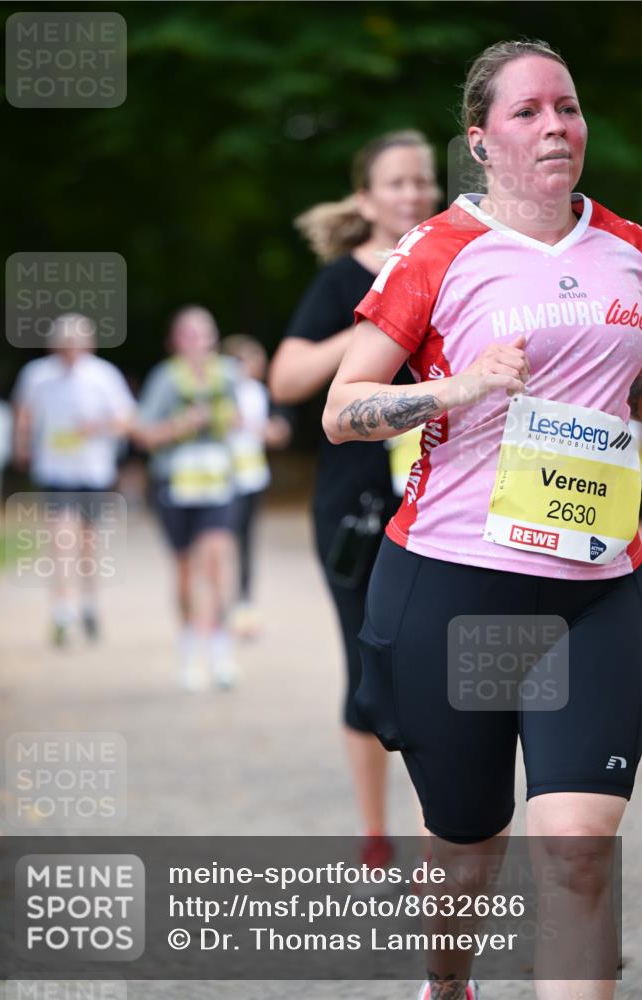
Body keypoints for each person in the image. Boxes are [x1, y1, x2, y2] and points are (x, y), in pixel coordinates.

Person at [323, 39, 642, 1000]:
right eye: (527, 111)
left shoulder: (630, 250)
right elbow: (341, 411)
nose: (555, 126)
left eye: (568, 107)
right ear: (480, 140)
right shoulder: (437, 252)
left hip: (597, 589)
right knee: (467, 847)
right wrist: (455, 387)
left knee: (578, 849)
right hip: (456, 583)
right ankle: (448, 980)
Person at [269, 131, 440, 869]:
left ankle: (445, 824)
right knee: (370, 665)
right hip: (354, 506)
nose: (411, 195)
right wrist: (380, 325)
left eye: (422, 182)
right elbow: (286, 380)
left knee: (433, 666)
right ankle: (376, 833)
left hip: (439, 502)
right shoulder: (344, 280)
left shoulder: (457, 267)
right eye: (395, 184)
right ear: (365, 199)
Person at [12, 313, 135, 645]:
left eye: (77, 342)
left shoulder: (103, 376)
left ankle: (89, 604)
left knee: (88, 543)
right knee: (60, 538)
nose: (70, 349)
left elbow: (126, 419)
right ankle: (62, 610)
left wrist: (97, 427)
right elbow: (25, 411)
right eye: (65, 342)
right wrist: (22, 444)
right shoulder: (37, 375)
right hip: (55, 470)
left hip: (93, 471)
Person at [134, 306, 241, 691]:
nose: (197, 342)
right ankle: (188, 647)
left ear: (214, 338)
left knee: (215, 562)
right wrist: (180, 426)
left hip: (216, 482)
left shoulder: (227, 375)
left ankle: (220, 649)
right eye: (188, 334)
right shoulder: (165, 379)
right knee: (184, 573)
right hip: (173, 486)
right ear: (175, 341)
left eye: (203, 333)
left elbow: (242, 421)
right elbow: (143, 434)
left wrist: (230, 420)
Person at [221, 334, 291, 637]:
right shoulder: (222, 391)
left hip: (252, 477)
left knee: (247, 542)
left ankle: (244, 603)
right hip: (225, 479)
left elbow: (274, 433)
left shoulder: (259, 393)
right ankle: (221, 603)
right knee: (222, 543)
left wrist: (270, 430)